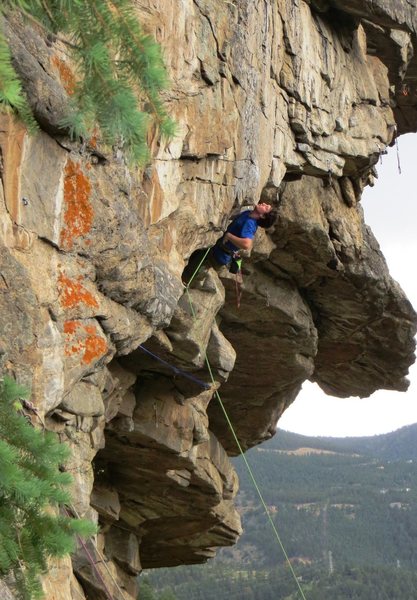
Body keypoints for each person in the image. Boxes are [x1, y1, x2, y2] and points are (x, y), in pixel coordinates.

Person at [182, 202, 277, 284]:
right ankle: (194, 278)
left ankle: (186, 283)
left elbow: (246, 244)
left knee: (193, 268)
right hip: (217, 249)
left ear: (262, 216)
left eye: (266, 207)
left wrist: (229, 236)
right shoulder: (248, 213)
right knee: (194, 261)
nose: (264, 204)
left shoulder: (250, 224)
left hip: (218, 254)